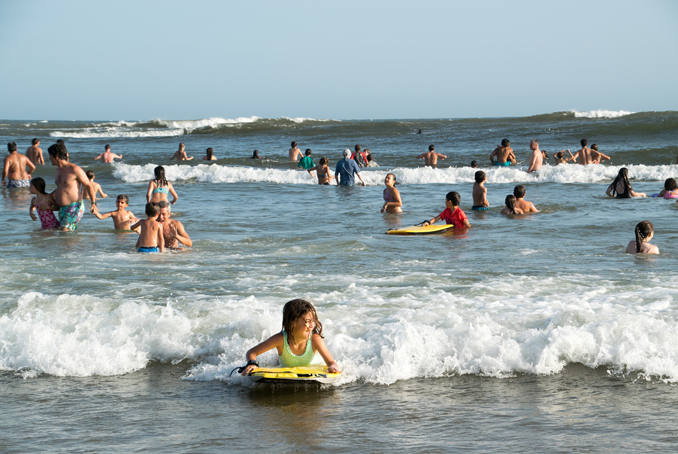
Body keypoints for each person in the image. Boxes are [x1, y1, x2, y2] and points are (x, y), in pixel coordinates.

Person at [239, 299, 340, 375]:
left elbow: (331, 362)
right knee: (275, 361)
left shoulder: (315, 340)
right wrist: (252, 364)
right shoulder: (280, 339)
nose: (311, 326)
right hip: (284, 366)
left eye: (313, 321)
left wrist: (333, 367)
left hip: (311, 367)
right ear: (292, 323)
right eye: (307, 321)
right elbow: (252, 352)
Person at [47, 142, 96, 231]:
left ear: (56, 156)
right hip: (62, 208)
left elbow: (88, 185)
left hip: (75, 206)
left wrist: (93, 203)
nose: (49, 158)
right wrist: (47, 197)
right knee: (65, 235)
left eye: (50, 155)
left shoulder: (75, 169)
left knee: (65, 231)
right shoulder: (57, 171)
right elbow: (61, 188)